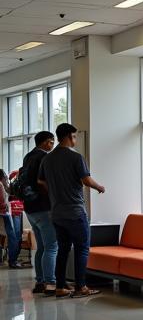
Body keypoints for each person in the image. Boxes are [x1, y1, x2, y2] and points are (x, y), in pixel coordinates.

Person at [38, 123, 105, 298]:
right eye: (74, 136)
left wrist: (55, 190)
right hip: (75, 212)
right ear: (69, 136)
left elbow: (41, 181)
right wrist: (100, 187)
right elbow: (86, 180)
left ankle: (60, 287)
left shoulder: (47, 158)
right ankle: (81, 287)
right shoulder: (76, 157)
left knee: (63, 249)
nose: (75, 140)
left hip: (57, 213)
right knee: (82, 249)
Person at [19, 130, 59, 295]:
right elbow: (43, 182)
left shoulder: (28, 157)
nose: (52, 145)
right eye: (51, 142)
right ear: (45, 142)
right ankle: (50, 283)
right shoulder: (45, 157)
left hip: (30, 209)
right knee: (51, 246)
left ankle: (40, 282)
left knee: (41, 247)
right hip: (43, 207)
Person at [0, 168, 23, 269]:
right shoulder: (1, 185)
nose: (6, 178)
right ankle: (13, 261)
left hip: (4, 213)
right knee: (13, 237)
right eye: (5, 176)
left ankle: (11, 260)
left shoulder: (3, 185)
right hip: (4, 214)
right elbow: (3, 203)